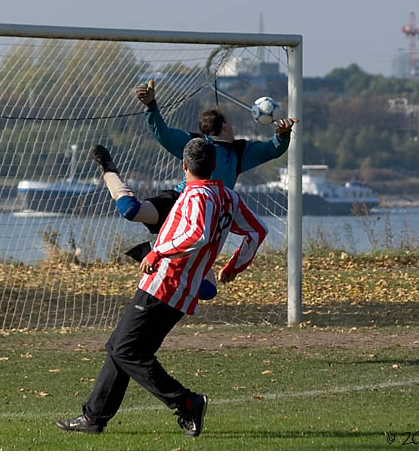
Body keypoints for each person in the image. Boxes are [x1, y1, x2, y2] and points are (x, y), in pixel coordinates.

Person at [56, 138, 268, 437]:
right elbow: (258, 231)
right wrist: (234, 266)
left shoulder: (198, 196)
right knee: (121, 348)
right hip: (182, 290)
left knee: (126, 351)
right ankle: (94, 418)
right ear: (214, 166)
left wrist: (158, 251)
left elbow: (197, 234)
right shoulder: (228, 196)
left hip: (165, 284)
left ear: (184, 166)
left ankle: (186, 402)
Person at [91, 79, 295, 296]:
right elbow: (165, 134)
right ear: (225, 126)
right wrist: (151, 106)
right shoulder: (196, 145)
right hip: (178, 203)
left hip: (208, 216)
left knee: (207, 291)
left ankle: (154, 252)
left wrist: (282, 135)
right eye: (229, 122)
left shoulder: (239, 152)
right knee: (130, 210)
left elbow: (272, 150)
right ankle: (109, 171)